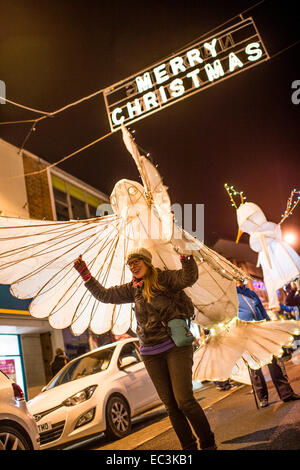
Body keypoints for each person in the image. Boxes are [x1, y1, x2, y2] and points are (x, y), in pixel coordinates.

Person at [74, 247, 216, 451]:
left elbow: (188, 277)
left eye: (137, 261)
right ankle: (189, 448)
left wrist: (185, 257)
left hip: (175, 346)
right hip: (150, 353)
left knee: (184, 401)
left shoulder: (163, 279)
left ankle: (208, 443)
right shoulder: (132, 288)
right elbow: (104, 295)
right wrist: (85, 274)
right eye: (130, 264)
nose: (133, 266)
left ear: (147, 262)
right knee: (171, 407)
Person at [236, 280, 300, 408]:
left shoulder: (251, 293)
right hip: (246, 334)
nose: (239, 279)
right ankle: (262, 397)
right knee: (255, 366)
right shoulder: (232, 296)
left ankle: (286, 393)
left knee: (274, 361)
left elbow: (262, 311)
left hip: (263, 329)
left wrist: (270, 325)